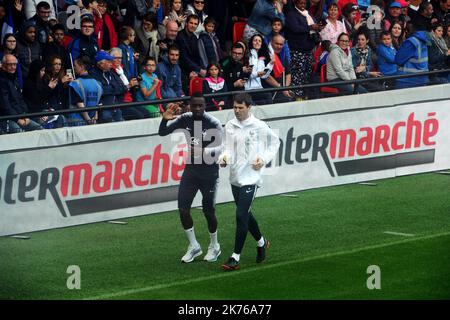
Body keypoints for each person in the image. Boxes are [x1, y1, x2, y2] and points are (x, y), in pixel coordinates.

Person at [158, 93, 223, 263]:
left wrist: (205, 152)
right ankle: (194, 246)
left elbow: (223, 148)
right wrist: (165, 119)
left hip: (210, 172)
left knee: (208, 211)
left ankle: (214, 246)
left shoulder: (213, 123)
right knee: (183, 208)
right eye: (194, 106)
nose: (198, 109)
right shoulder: (185, 118)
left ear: (205, 105)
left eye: (201, 105)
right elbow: (162, 132)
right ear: (190, 106)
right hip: (191, 170)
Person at [219, 92, 280, 271]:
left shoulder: (259, 126)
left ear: (249, 107)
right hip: (235, 176)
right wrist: (223, 158)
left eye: (240, 108)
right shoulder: (230, 125)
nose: (237, 111)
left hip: (252, 177)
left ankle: (235, 257)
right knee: (245, 213)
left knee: (240, 215)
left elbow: (275, 142)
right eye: (235, 107)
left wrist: (263, 158)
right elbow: (227, 148)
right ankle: (262, 243)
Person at [0, 54, 43, 133]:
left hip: (20, 116)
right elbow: (5, 105)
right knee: (19, 132)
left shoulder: (15, 80)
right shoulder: (2, 81)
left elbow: (21, 100)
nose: (13, 67)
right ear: (3, 65)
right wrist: (17, 119)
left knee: (39, 129)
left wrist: (26, 115)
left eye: (15, 64)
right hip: (6, 118)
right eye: (10, 64)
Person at [67, 55, 103, 126]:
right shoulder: (98, 84)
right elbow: (98, 104)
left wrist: (88, 121)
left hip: (77, 123)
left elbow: (80, 106)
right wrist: (94, 119)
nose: (73, 68)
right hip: (94, 121)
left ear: (82, 67)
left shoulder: (75, 84)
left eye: (75, 65)